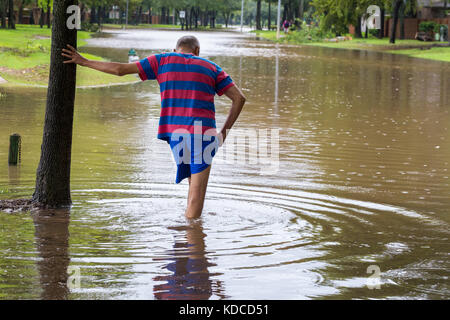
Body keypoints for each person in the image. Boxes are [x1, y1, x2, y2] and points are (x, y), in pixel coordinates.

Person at [61, 36, 246, 219]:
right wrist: (223, 133)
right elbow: (239, 98)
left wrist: (83, 61)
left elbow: (119, 69)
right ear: (197, 51)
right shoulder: (211, 67)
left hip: (176, 136)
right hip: (202, 135)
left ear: (176, 50)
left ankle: (187, 235)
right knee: (196, 198)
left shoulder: (162, 60)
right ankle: (192, 241)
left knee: (193, 186)